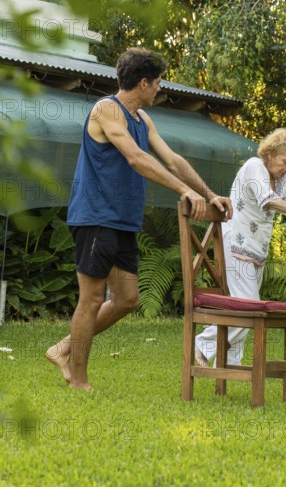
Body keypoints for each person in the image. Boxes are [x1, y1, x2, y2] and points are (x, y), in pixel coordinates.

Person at [46, 47, 232, 390]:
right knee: (90, 299)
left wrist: (207, 194)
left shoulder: (141, 120)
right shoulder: (106, 110)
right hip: (96, 217)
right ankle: (79, 381)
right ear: (143, 83)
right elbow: (134, 158)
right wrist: (182, 191)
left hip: (122, 221)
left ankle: (64, 348)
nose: (160, 89)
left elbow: (172, 159)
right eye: (158, 82)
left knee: (128, 299)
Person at [195, 128, 286, 367]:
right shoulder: (254, 166)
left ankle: (230, 363)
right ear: (271, 153)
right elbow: (268, 199)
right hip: (237, 242)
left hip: (258, 248)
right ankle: (204, 343)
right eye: (285, 161)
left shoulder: (284, 177)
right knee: (249, 304)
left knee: (244, 303)